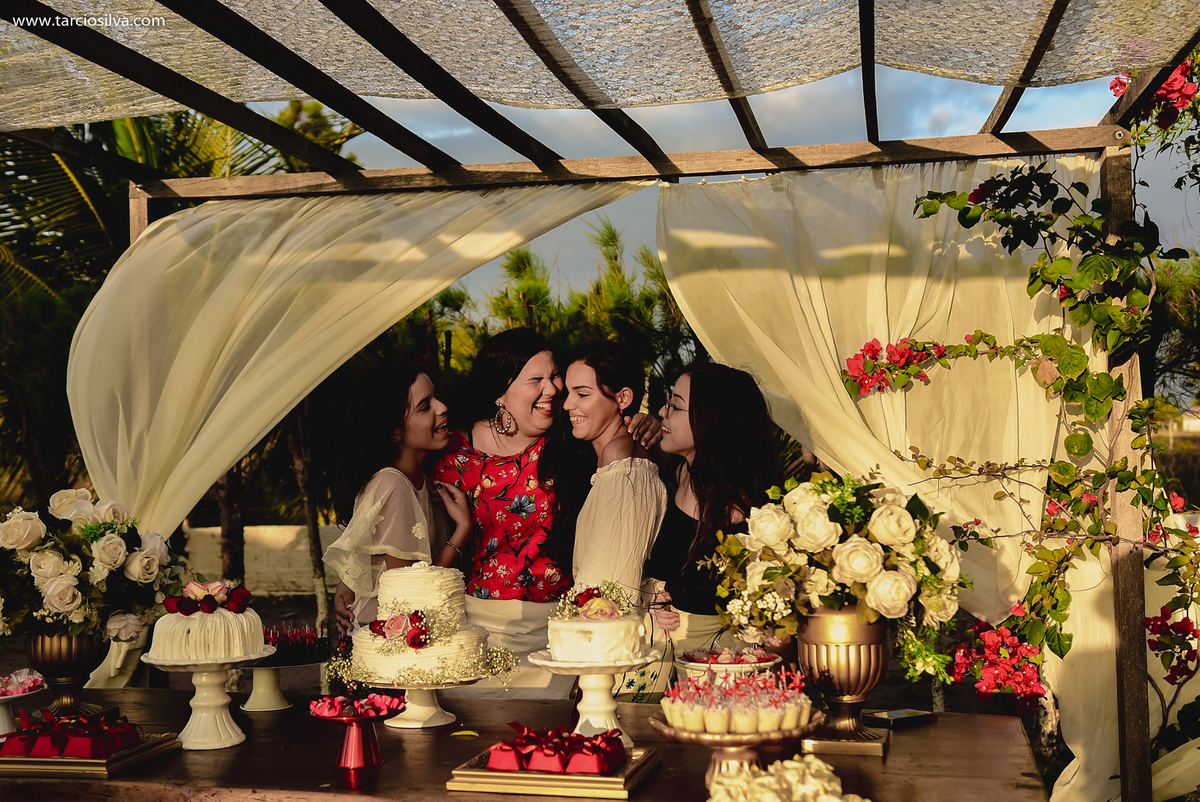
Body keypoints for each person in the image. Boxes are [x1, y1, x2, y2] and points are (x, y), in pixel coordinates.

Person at [432, 328, 659, 698]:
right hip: (475, 630)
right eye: (536, 380)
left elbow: (624, 458)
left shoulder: (571, 439)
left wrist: (646, 423)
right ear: (500, 393)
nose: (553, 389)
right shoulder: (453, 452)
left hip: (558, 632)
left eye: (554, 376)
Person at [636, 362, 780, 700]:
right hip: (663, 658)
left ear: (711, 420)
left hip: (714, 674)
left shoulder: (741, 511)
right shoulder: (679, 473)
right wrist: (653, 597)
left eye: (675, 406)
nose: (662, 412)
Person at [324, 363, 472, 636]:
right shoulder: (392, 484)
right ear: (394, 431)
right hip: (390, 642)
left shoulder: (422, 480)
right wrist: (462, 530)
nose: (442, 408)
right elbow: (410, 593)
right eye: (425, 407)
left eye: (436, 397)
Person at [563, 342, 666, 595]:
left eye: (582, 394)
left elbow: (609, 584)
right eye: (568, 392)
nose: (566, 404)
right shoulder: (606, 456)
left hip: (603, 614)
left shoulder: (621, 460)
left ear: (623, 398)